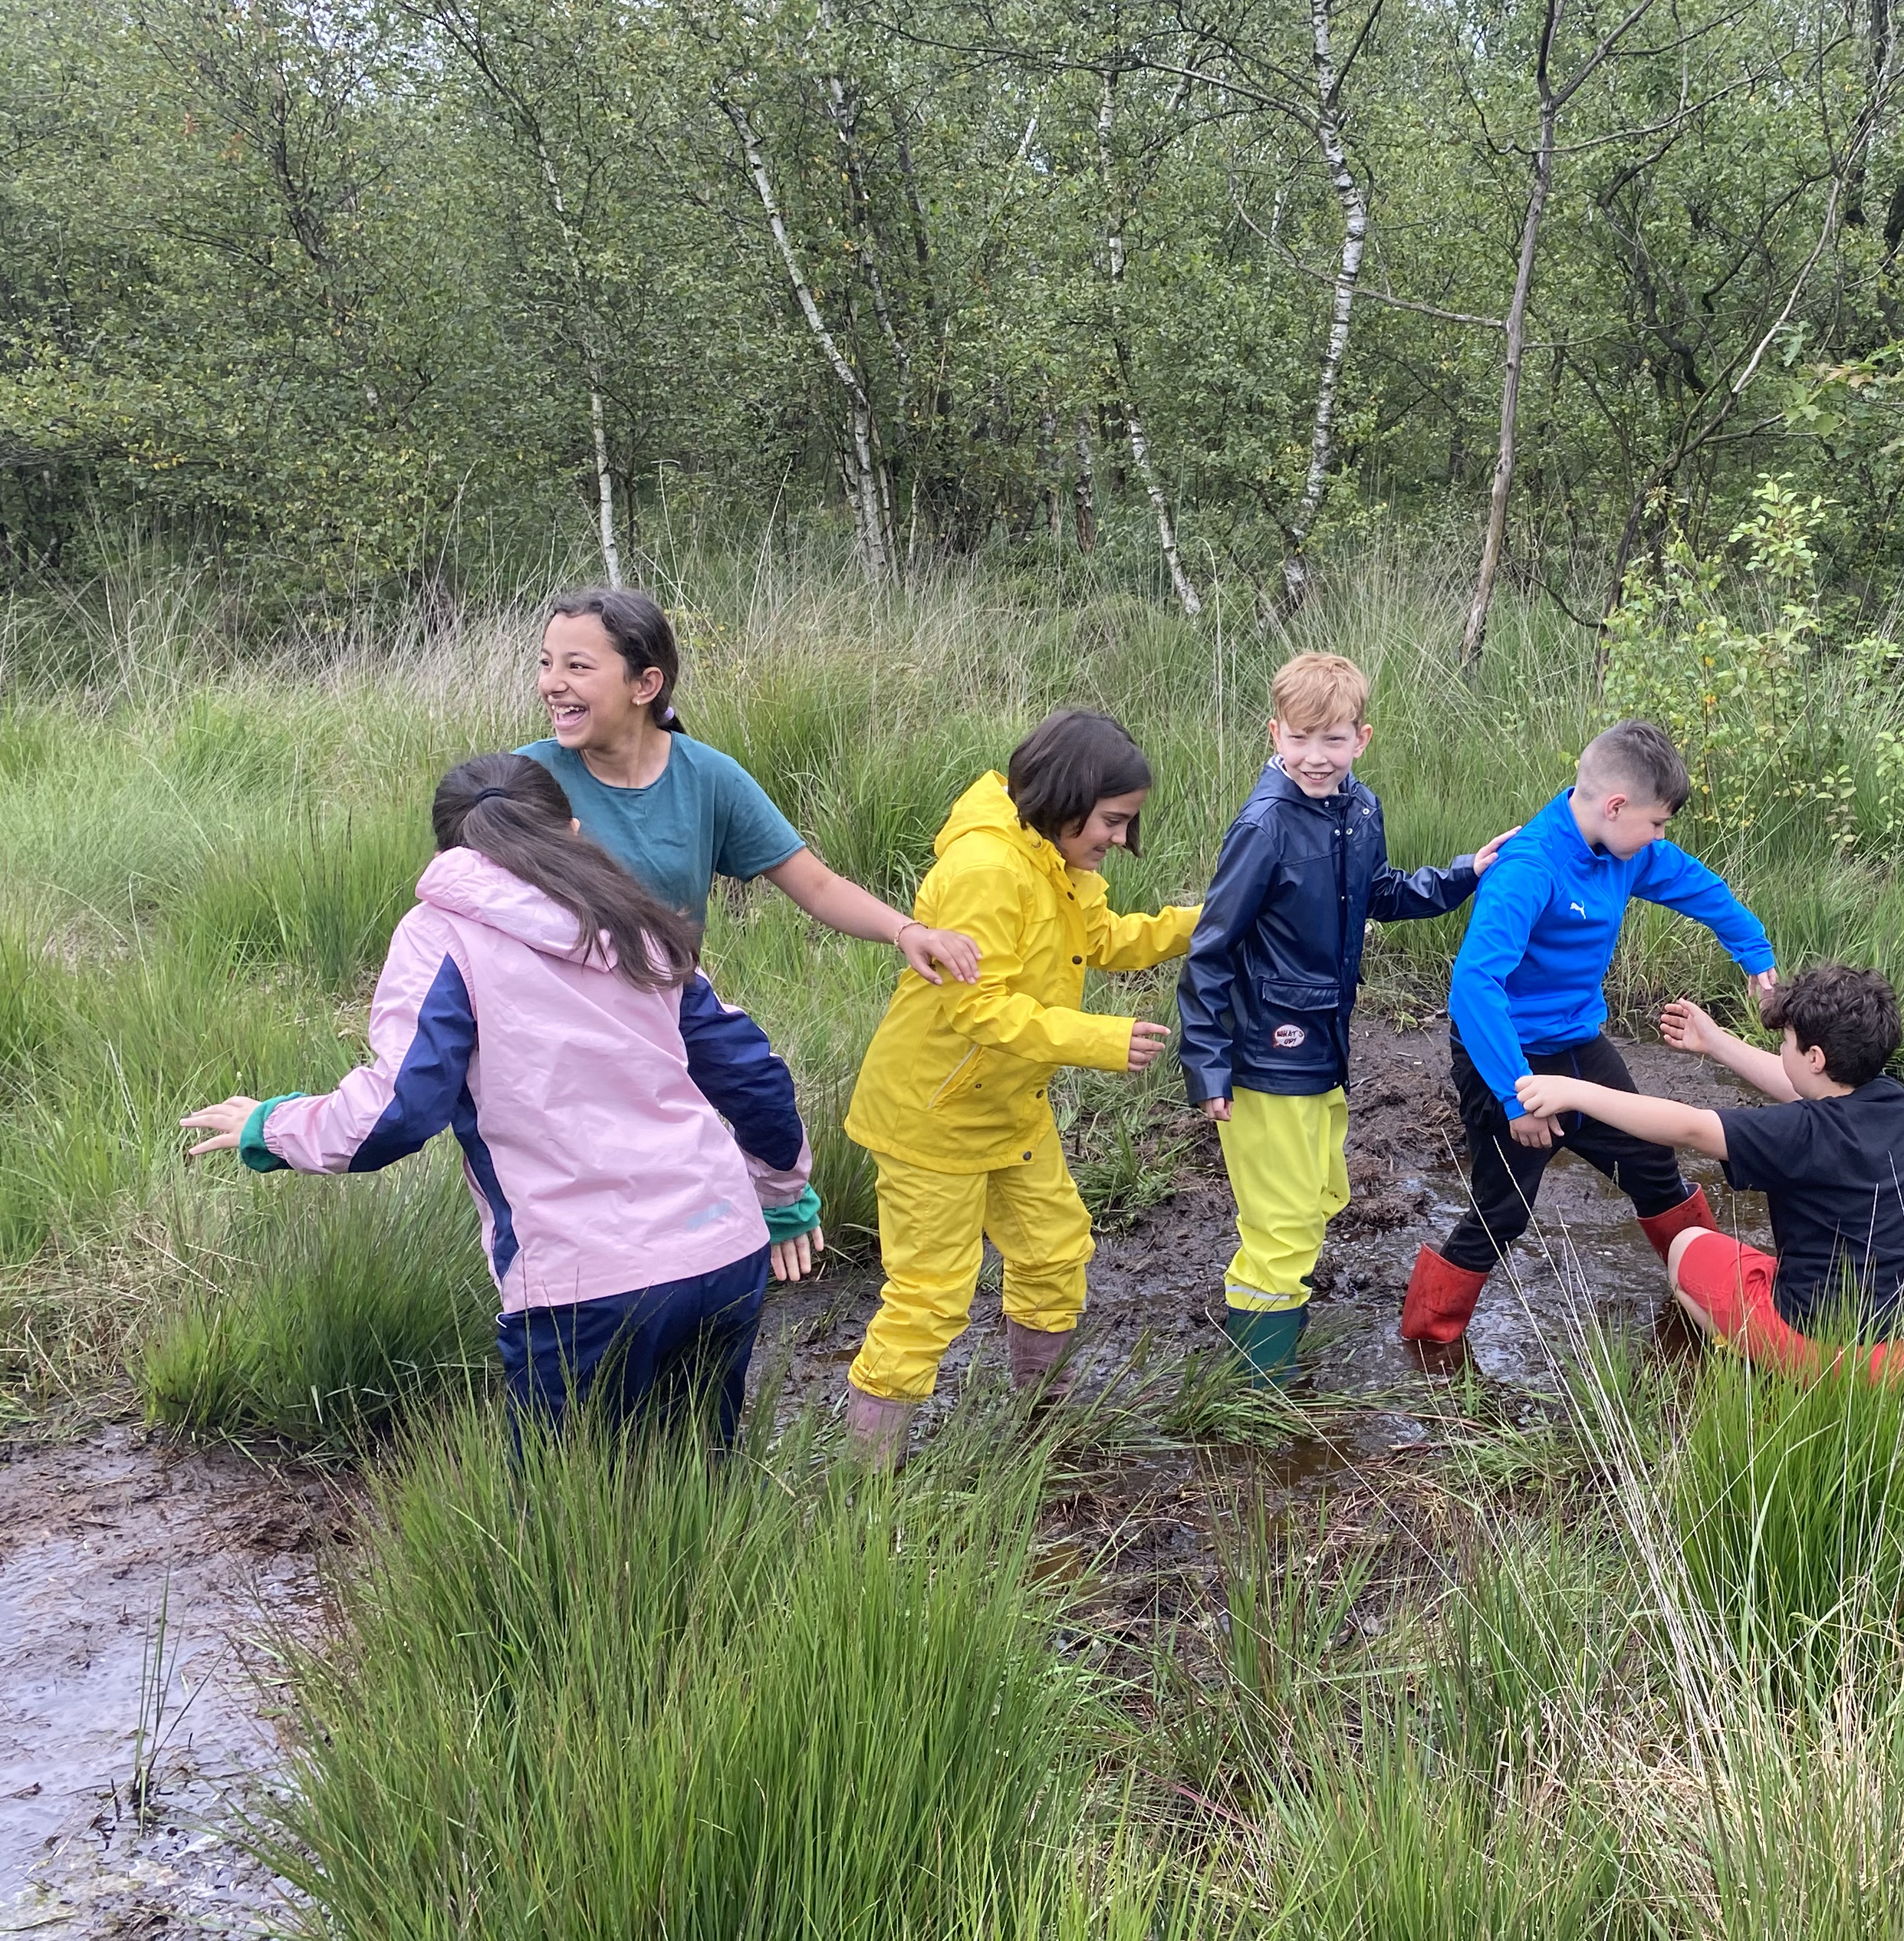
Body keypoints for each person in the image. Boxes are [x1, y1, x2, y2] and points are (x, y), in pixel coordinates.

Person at [178, 753, 823, 1449]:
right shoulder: (636, 922)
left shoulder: (439, 937)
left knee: (565, 1522)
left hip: (581, 1285)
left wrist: (270, 1126)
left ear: (450, 847)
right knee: (695, 1486)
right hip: (723, 1252)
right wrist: (783, 1193)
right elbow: (750, 1073)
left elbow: (393, 1115)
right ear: (572, 828)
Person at [837, 709, 1199, 1469]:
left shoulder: (1065, 861)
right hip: (931, 1117)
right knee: (931, 1296)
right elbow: (974, 1008)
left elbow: (1102, 942)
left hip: (1009, 1110)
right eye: (1114, 821)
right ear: (1069, 797)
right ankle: (867, 1486)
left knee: (1053, 1251)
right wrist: (1098, 1041)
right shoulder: (985, 871)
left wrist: (1207, 922)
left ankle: (1043, 1417)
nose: (1122, 841)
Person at [1177, 653, 1511, 1380]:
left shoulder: (1360, 809)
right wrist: (1206, 1063)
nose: (1316, 757)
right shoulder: (1263, 826)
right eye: (1301, 739)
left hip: (1326, 1042)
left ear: (1363, 738)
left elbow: (1379, 892)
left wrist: (1464, 874)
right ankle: (1256, 1384)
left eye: (1333, 740)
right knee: (1284, 1216)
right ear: (1276, 733)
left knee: (1323, 1194)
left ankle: (1267, 1348)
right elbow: (1211, 948)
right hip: (1267, 1047)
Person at [1398, 719, 1776, 1350]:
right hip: (1507, 1056)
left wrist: (1753, 951)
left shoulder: (1626, 851)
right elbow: (1474, 988)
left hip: (1578, 1044)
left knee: (1655, 1167)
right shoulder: (1530, 866)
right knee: (1504, 1212)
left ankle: (1717, 1303)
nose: (1660, 837)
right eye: (1656, 823)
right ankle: (1427, 1343)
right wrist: (1518, 1096)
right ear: (1616, 804)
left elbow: (1697, 887)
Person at [1512, 965, 1904, 1390]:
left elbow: (1691, 1127)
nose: (1781, 1051)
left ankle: (1763, 1370)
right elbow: (1797, 1085)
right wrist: (1717, 1043)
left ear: (1816, 1058)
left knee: (1686, 1249)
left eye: (1786, 1040)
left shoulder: (1801, 1132)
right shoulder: (1891, 1102)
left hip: (1847, 1364)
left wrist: (1577, 1091)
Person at [527, 587, 979, 984]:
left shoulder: (708, 776)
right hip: (559, 1021)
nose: (551, 683)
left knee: (759, 1084)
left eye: (577, 667)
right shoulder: (522, 779)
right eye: (546, 663)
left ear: (645, 684)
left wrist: (908, 932)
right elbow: (462, 888)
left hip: (667, 1011)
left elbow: (817, 886)